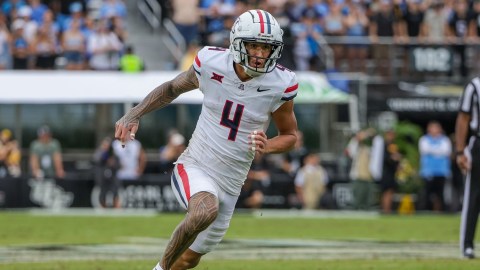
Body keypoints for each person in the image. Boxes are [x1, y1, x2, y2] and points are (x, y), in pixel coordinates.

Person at [114, 9, 298, 270]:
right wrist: (135, 113)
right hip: (196, 164)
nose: (259, 54)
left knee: (188, 259)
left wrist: (268, 145)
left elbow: (290, 136)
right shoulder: (212, 63)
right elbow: (171, 88)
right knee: (203, 211)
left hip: (232, 182)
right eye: (253, 46)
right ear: (237, 43)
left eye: (266, 48)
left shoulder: (281, 84)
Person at [455, 76, 480, 259]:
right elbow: (463, 117)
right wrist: (460, 150)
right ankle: (467, 244)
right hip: (478, 143)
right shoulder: (475, 86)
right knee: (474, 195)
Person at [419, 121, 451, 212]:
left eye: (436, 127)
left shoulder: (445, 140)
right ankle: (424, 210)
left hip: (441, 171)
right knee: (427, 193)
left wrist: (433, 151)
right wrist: (438, 151)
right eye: (432, 127)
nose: (434, 130)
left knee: (440, 193)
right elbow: (425, 150)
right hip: (428, 171)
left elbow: (445, 151)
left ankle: (441, 211)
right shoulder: (424, 139)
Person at [93, 137, 121, 208]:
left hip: (112, 178)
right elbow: (97, 161)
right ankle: (103, 208)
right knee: (103, 194)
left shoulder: (114, 155)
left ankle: (116, 208)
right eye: (104, 145)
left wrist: (113, 163)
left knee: (115, 193)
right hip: (103, 178)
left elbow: (118, 166)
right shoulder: (99, 153)